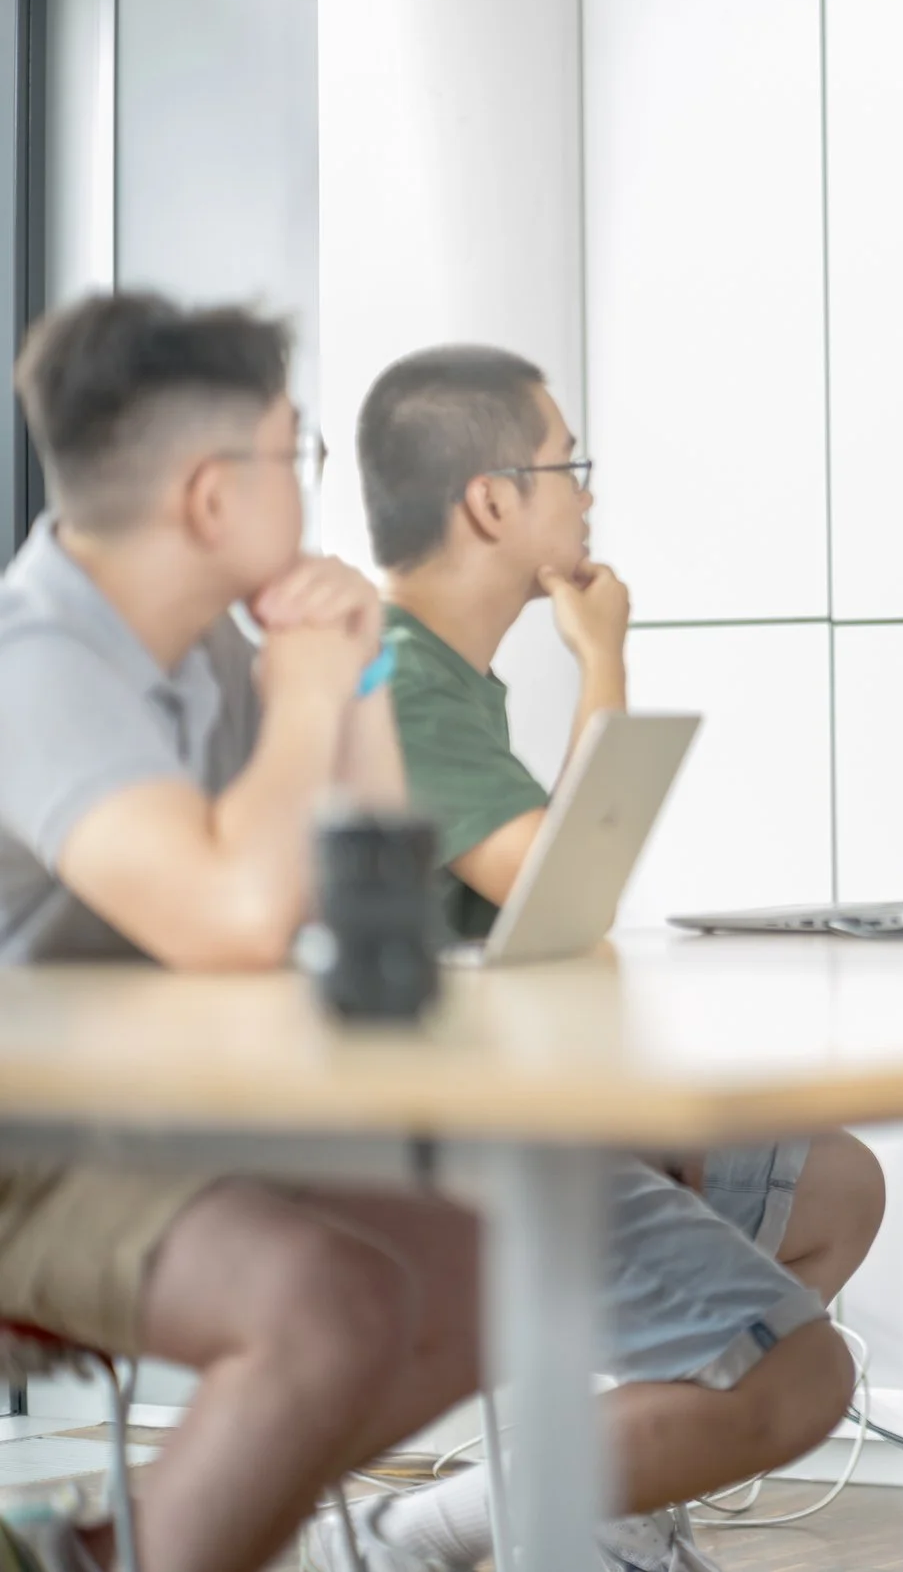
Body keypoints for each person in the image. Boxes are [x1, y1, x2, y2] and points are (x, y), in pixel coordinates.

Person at [341, 344, 886, 1571]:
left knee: (837, 1184)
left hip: (512, 1108)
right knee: (804, 1368)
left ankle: (613, 1498)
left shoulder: (448, 682)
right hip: (435, 1148)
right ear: (491, 501)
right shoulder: (396, 677)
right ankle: (420, 1533)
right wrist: (602, 662)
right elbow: (564, 894)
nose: (588, 496)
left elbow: (539, 936)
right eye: (566, 467)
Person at [0, 292, 483, 1572]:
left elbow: (363, 897)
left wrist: (360, 671)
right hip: (19, 1146)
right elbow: (235, 920)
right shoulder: (32, 660)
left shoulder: (218, 651)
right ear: (214, 497)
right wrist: (310, 684)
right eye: (299, 453)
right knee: (332, 1303)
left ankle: (129, 1547)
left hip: (136, 1119)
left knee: (491, 1260)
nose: (314, 489)